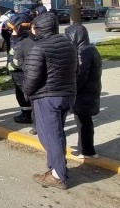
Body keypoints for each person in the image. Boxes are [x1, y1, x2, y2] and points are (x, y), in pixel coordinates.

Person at [23, 12, 77, 190]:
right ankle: (55, 167)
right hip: (67, 94)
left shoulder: (39, 48)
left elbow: (32, 78)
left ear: (39, 28)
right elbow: (75, 69)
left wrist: (27, 94)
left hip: (47, 97)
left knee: (50, 136)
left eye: (33, 28)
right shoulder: (69, 44)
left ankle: (58, 175)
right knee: (57, 133)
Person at [65, 23, 102, 159]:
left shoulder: (83, 52)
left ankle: (87, 151)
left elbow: (80, 76)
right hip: (91, 92)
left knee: (83, 123)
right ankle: (85, 148)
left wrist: (72, 90)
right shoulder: (91, 49)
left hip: (83, 94)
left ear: (75, 37)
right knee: (84, 121)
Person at [6, 14, 35, 124]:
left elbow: (18, 59)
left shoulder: (23, 40)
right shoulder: (17, 38)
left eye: (13, 29)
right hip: (17, 72)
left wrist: (10, 67)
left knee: (25, 94)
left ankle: (28, 115)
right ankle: (26, 113)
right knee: (20, 94)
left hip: (21, 72)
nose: (11, 32)